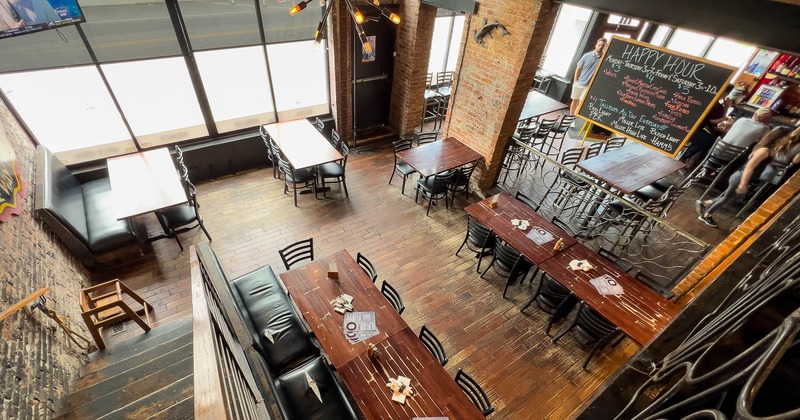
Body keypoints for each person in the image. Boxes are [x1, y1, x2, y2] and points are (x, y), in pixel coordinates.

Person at [697, 126, 800, 227]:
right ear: (780, 137)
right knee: (727, 198)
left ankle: (705, 204)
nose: (789, 140)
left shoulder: (769, 149)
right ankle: (707, 215)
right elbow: (749, 167)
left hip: (743, 176)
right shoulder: (764, 150)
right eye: (787, 137)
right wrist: (743, 183)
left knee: (728, 196)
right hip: (741, 176)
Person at [681, 85, 734, 170]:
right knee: (708, 140)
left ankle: (683, 158)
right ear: (725, 93)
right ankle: (684, 158)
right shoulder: (717, 105)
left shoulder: (700, 97)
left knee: (705, 136)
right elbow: (715, 121)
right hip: (690, 130)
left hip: (678, 124)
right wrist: (726, 107)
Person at [569, 37, 607, 116]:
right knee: (575, 100)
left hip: (589, 86)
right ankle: (570, 116)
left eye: (602, 46)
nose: (600, 47)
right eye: (599, 45)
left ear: (604, 47)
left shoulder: (604, 59)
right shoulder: (587, 56)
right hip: (579, 83)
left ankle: (573, 119)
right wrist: (575, 81)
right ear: (596, 45)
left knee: (581, 102)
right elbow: (578, 68)